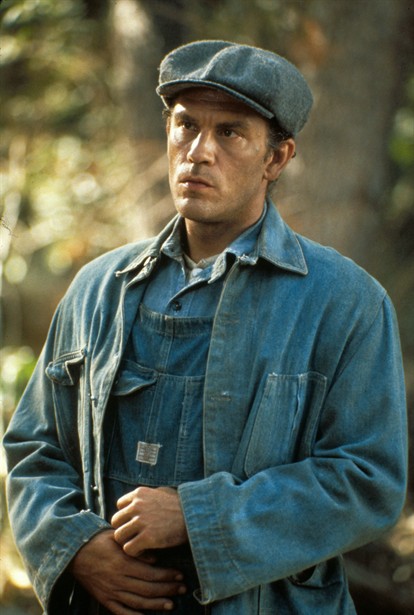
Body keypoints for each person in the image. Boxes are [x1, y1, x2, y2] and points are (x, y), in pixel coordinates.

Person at [4, 40, 407, 615]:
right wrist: (76, 549)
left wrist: (198, 519)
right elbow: (35, 448)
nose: (198, 152)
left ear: (276, 158)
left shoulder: (346, 303)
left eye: (230, 133)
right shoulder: (99, 288)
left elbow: (367, 480)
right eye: (186, 125)